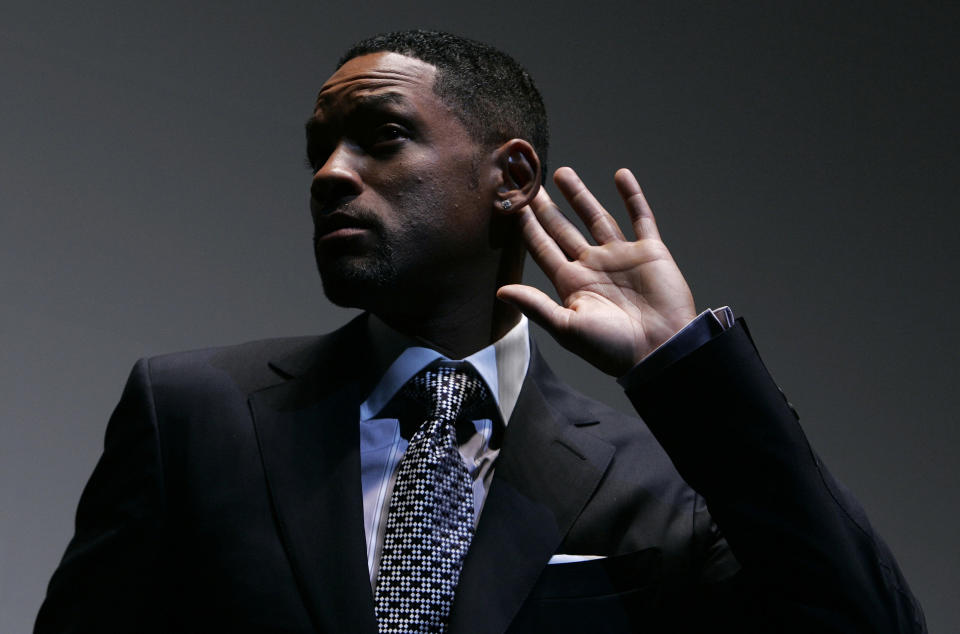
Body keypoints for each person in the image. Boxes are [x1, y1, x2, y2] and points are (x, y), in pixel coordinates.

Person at [35, 29, 925, 633]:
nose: (330, 174)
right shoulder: (192, 414)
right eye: (320, 148)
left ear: (510, 175)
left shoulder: (657, 475)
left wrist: (687, 367)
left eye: (380, 136)